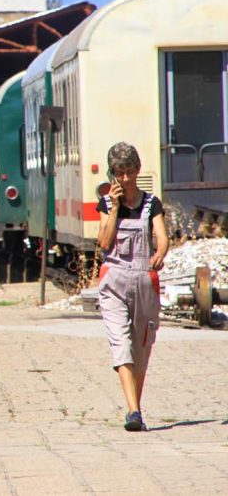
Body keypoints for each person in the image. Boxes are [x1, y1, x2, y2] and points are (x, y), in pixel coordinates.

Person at [96, 142, 169, 432]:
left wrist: (161, 252)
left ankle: (134, 408)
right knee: (120, 343)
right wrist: (114, 208)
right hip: (113, 280)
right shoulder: (105, 204)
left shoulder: (152, 204)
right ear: (112, 174)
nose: (124, 179)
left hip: (143, 280)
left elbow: (161, 236)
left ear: (137, 170)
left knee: (141, 347)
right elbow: (103, 242)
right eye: (118, 173)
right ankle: (133, 411)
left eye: (129, 172)